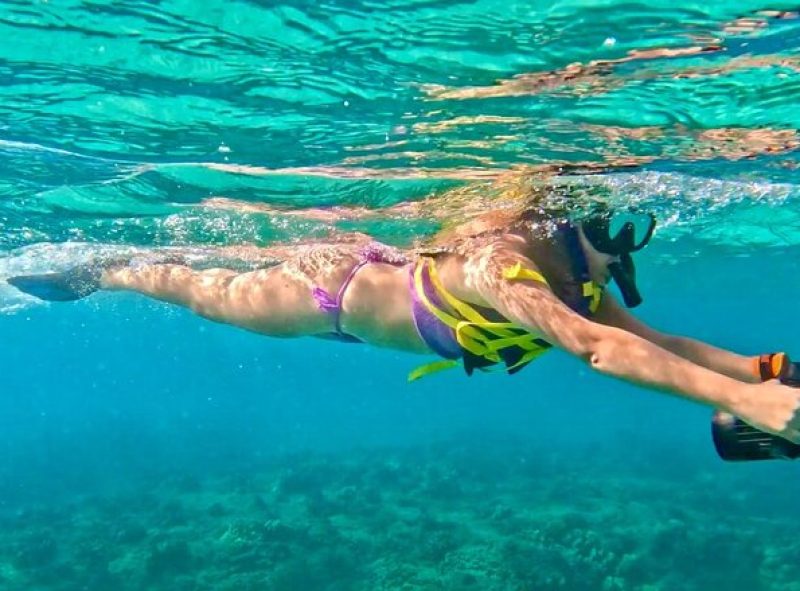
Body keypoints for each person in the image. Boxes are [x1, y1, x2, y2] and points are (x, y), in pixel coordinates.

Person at [8, 186, 800, 462]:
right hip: (326, 299)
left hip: (395, 290)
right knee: (196, 286)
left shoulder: (578, 279)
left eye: (637, 232)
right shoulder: (504, 267)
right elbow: (598, 353)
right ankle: (98, 270)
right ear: (569, 226)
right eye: (616, 234)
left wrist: (763, 370)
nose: (626, 253)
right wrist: (758, 410)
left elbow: (652, 342)